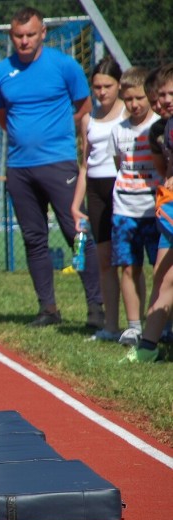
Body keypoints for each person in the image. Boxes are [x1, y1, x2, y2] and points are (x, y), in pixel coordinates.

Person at [0, 6, 103, 328]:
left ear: (43, 33)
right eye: (18, 36)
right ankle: (48, 309)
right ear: (11, 36)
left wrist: (59, 133)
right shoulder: (1, 72)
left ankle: (97, 308)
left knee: (76, 232)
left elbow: (84, 107)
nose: (24, 41)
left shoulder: (64, 65)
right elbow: (1, 115)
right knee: (34, 238)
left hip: (60, 163)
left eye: (30, 34)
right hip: (19, 167)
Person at [71, 58, 127, 341]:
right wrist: (75, 204)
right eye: (97, 87)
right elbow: (84, 165)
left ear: (119, 85)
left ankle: (139, 324)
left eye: (107, 86)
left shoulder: (128, 112)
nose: (102, 92)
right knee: (104, 260)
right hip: (95, 190)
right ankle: (111, 326)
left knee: (129, 262)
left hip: (122, 187)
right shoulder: (88, 118)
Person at [107, 66, 162, 347]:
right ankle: (133, 326)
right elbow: (119, 164)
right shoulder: (118, 130)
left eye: (139, 98)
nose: (134, 104)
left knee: (161, 270)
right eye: (128, 99)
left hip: (155, 208)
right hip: (124, 210)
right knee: (129, 268)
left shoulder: (160, 126)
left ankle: (163, 323)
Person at [123, 63, 173, 362]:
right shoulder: (164, 128)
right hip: (170, 210)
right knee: (163, 277)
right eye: (159, 97)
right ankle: (149, 346)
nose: (164, 101)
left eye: (169, 94)